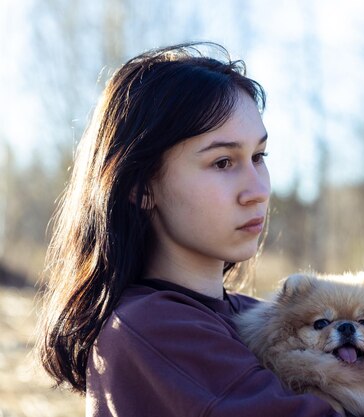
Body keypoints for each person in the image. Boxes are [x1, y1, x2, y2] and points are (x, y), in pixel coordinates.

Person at [37, 42, 341, 417]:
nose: (259, 191)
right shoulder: (152, 329)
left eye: (259, 157)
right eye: (223, 162)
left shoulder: (252, 315)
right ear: (140, 186)